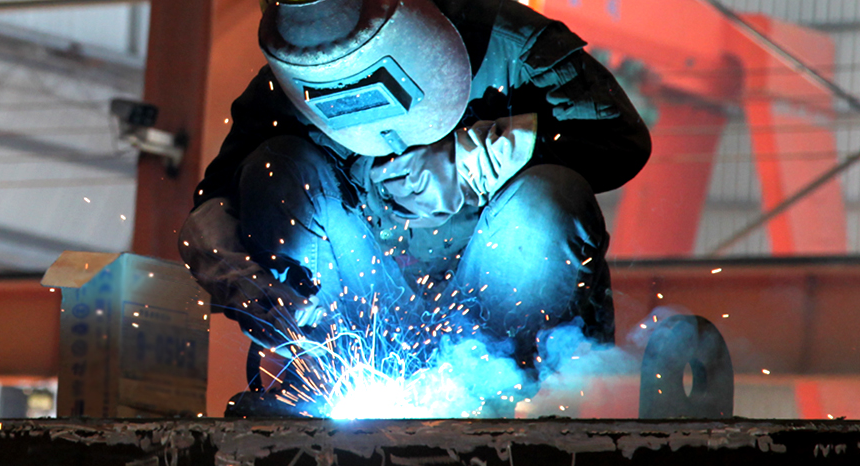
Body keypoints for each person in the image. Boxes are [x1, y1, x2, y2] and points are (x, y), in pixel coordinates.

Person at [178, 0, 651, 416]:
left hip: (501, 309)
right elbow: (217, 196)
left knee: (548, 198)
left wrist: (479, 159)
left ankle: (517, 394)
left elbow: (621, 140)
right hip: (358, 322)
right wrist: (229, 262)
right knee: (276, 167)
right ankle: (314, 382)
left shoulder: (509, 42)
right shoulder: (289, 79)